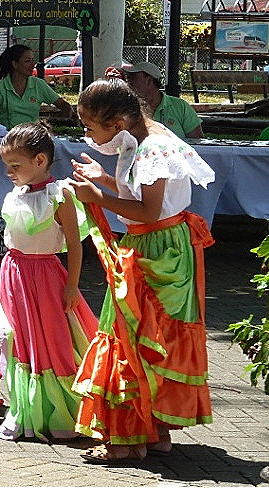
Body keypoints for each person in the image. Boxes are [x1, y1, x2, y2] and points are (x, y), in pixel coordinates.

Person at [68, 78, 215, 463]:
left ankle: (128, 440)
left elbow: (149, 210)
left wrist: (99, 197)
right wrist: (103, 179)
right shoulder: (144, 136)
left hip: (155, 246)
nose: (88, 135)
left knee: (132, 335)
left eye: (90, 127)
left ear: (116, 123)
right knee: (154, 338)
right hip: (163, 244)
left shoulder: (150, 148)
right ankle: (156, 432)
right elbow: (143, 191)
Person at [0, 120, 98, 442]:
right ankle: (24, 411)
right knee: (18, 339)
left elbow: (75, 244)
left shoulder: (59, 195)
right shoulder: (17, 193)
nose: (9, 172)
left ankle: (61, 413)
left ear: (40, 160)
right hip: (14, 275)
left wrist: (72, 284)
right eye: (7, 166)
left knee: (52, 340)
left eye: (15, 166)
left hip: (44, 278)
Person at [0, 44, 74, 129]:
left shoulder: (39, 84)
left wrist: (53, 123)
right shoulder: (0, 87)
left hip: (32, 138)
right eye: (28, 61)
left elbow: (65, 107)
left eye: (33, 60)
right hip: (7, 139)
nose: (33, 64)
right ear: (15, 64)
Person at [114, 62, 203, 140]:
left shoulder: (180, 107)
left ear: (148, 80)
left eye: (133, 77)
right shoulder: (126, 109)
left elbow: (197, 141)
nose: (128, 82)